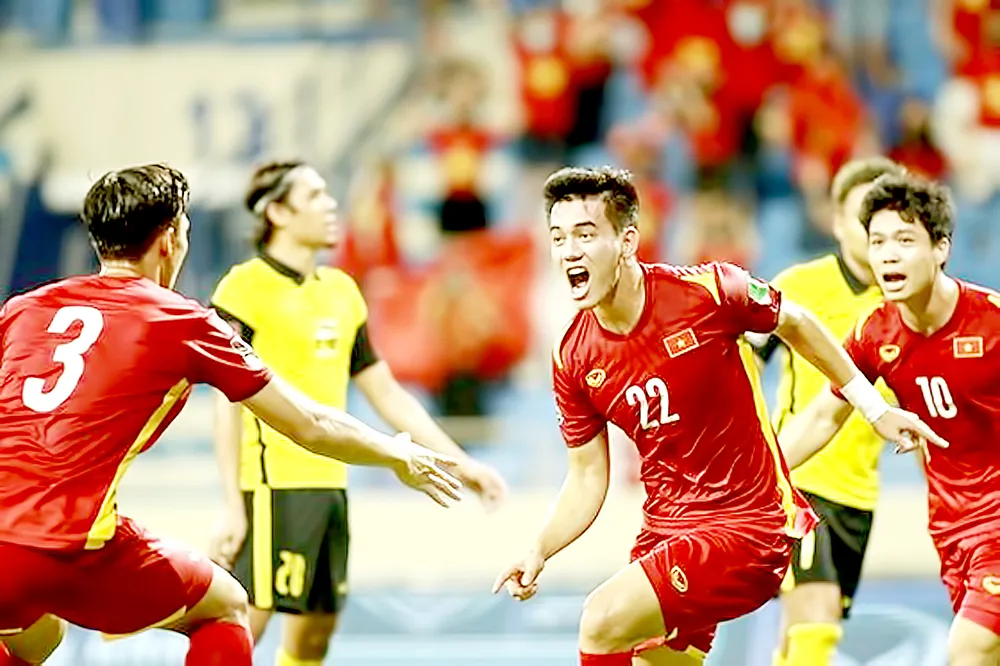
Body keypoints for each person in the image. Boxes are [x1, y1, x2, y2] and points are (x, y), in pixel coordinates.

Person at [0, 164, 462, 666]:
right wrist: (395, 454)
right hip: (72, 546)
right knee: (226, 606)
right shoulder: (181, 320)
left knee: (39, 635)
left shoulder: (23, 309)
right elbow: (310, 424)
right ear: (171, 238)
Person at [491, 166, 946, 666]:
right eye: (558, 237)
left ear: (626, 242)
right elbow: (586, 477)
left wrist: (873, 406)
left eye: (585, 235)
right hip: (666, 533)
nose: (569, 251)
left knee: (600, 620)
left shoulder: (708, 291)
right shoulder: (573, 356)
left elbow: (796, 322)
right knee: (648, 660)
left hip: (748, 525)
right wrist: (539, 548)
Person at [207, 160, 507, 666]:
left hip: (331, 487)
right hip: (271, 489)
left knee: (314, 638)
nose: (331, 206)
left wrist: (462, 463)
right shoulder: (243, 288)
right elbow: (226, 402)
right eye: (315, 196)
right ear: (278, 212)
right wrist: (234, 505)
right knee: (242, 630)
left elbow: (388, 394)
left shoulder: (343, 293)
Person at [780, 171, 1000, 666]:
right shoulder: (875, 333)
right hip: (951, 528)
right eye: (877, 241)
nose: (888, 255)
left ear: (941, 248)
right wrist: (754, 481)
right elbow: (822, 419)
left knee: (969, 649)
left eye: (904, 240)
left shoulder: (992, 322)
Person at [752, 157, 904, 666]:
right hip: (798, 479)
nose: (875, 231)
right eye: (863, 217)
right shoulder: (798, 286)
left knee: (803, 634)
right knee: (815, 618)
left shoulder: (907, 302)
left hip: (859, 496)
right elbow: (743, 360)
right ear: (837, 222)